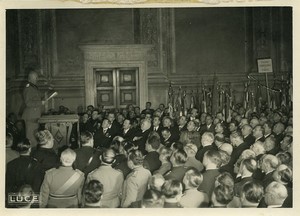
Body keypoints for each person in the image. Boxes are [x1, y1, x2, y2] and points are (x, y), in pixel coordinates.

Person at [22, 70, 45, 147]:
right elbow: (28, 103)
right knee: (31, 138)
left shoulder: (33, 87)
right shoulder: (28, 88)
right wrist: (40, 103)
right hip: (31, 117)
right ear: (31, 78)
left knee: (34, 137)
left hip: (34, 116)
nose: (37, 79)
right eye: (36, 77)